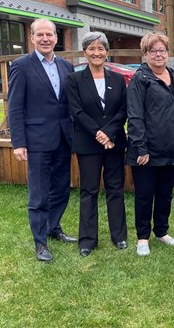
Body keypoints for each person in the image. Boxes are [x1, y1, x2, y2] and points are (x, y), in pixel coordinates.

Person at [8, 18, 77, 261]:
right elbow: (15, 107)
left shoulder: (66, 67)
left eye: (50, 35)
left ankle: (53, 227)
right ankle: (40, 243)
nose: (45, 39)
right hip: (36, 141)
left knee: (61, 189)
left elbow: (70, 103)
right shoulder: (21, 65)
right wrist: (18, 142)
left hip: (63, 139)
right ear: (32, 38)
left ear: (56, 38)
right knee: (38, 195)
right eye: (41, 35)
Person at [126, 32, 174, 256]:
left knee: (165, 193)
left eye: (162, 50)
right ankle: (143, 237)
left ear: (167, 52)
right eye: (153, 51)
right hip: (148, 150)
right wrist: (140, 147)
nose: (158, 54)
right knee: (145, 194)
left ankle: (162, 231)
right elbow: (135, 116)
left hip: (172, 148)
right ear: (145, 54)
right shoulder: (140, 79)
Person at [67, 32, 128, 257]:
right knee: (89, 191)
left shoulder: (118, 79)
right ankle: (87, 240)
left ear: (107, 52)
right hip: (88, 144)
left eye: (101, 48)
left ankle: (119, 236)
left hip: (114, 144)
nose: (96, 53)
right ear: (85, 52)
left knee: (115, 189)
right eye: (91, 48)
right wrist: (99, 134)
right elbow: (76, 111)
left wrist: (109, 134)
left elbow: (124, 109)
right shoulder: (74, 80)